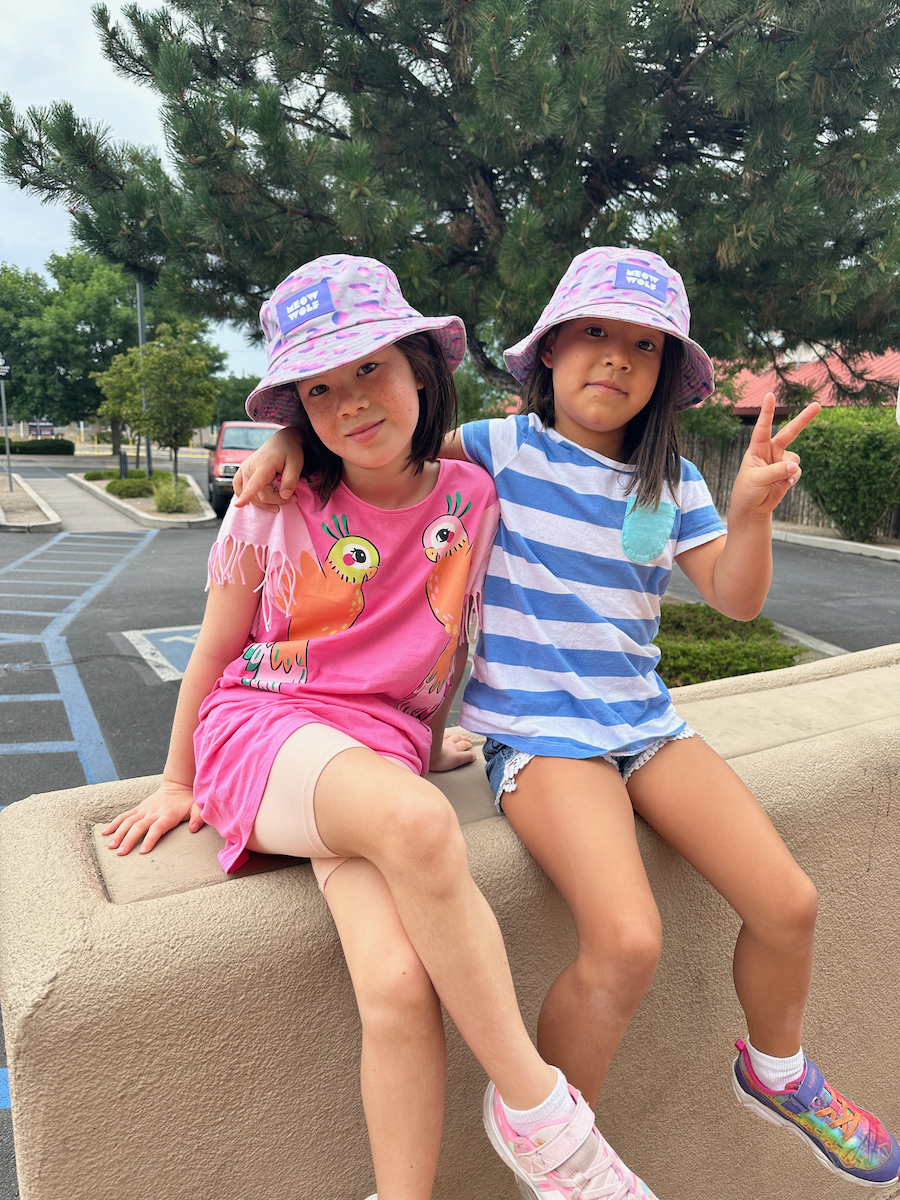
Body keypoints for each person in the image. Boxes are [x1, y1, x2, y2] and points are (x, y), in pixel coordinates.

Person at [232, 246, 900, 1189]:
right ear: (548, 350)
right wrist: (287, 445)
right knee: (627, 943)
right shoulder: (500, 448)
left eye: (643, 344)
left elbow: (738, 599)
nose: (616, 357)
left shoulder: (675, 483)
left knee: (790, 902)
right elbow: (378, 442)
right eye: (592, 333)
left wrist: (750, 512)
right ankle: (549, 1145)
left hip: (645, 725)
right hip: (541, 738)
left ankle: (776, 1072)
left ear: (666, 371)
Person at [103, 254, 666, 1200]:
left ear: (420, 369)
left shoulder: (471, 500)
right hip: (266, 730)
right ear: (296, 410)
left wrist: (428, 742)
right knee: (414, 819)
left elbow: (442, 640)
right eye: (319, 389)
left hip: (374, 761)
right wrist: (175, 778)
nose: (353, 400)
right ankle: (543, 1119)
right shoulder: (278, 503)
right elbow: (214, 650)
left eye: (371, 368)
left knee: (401, 985)